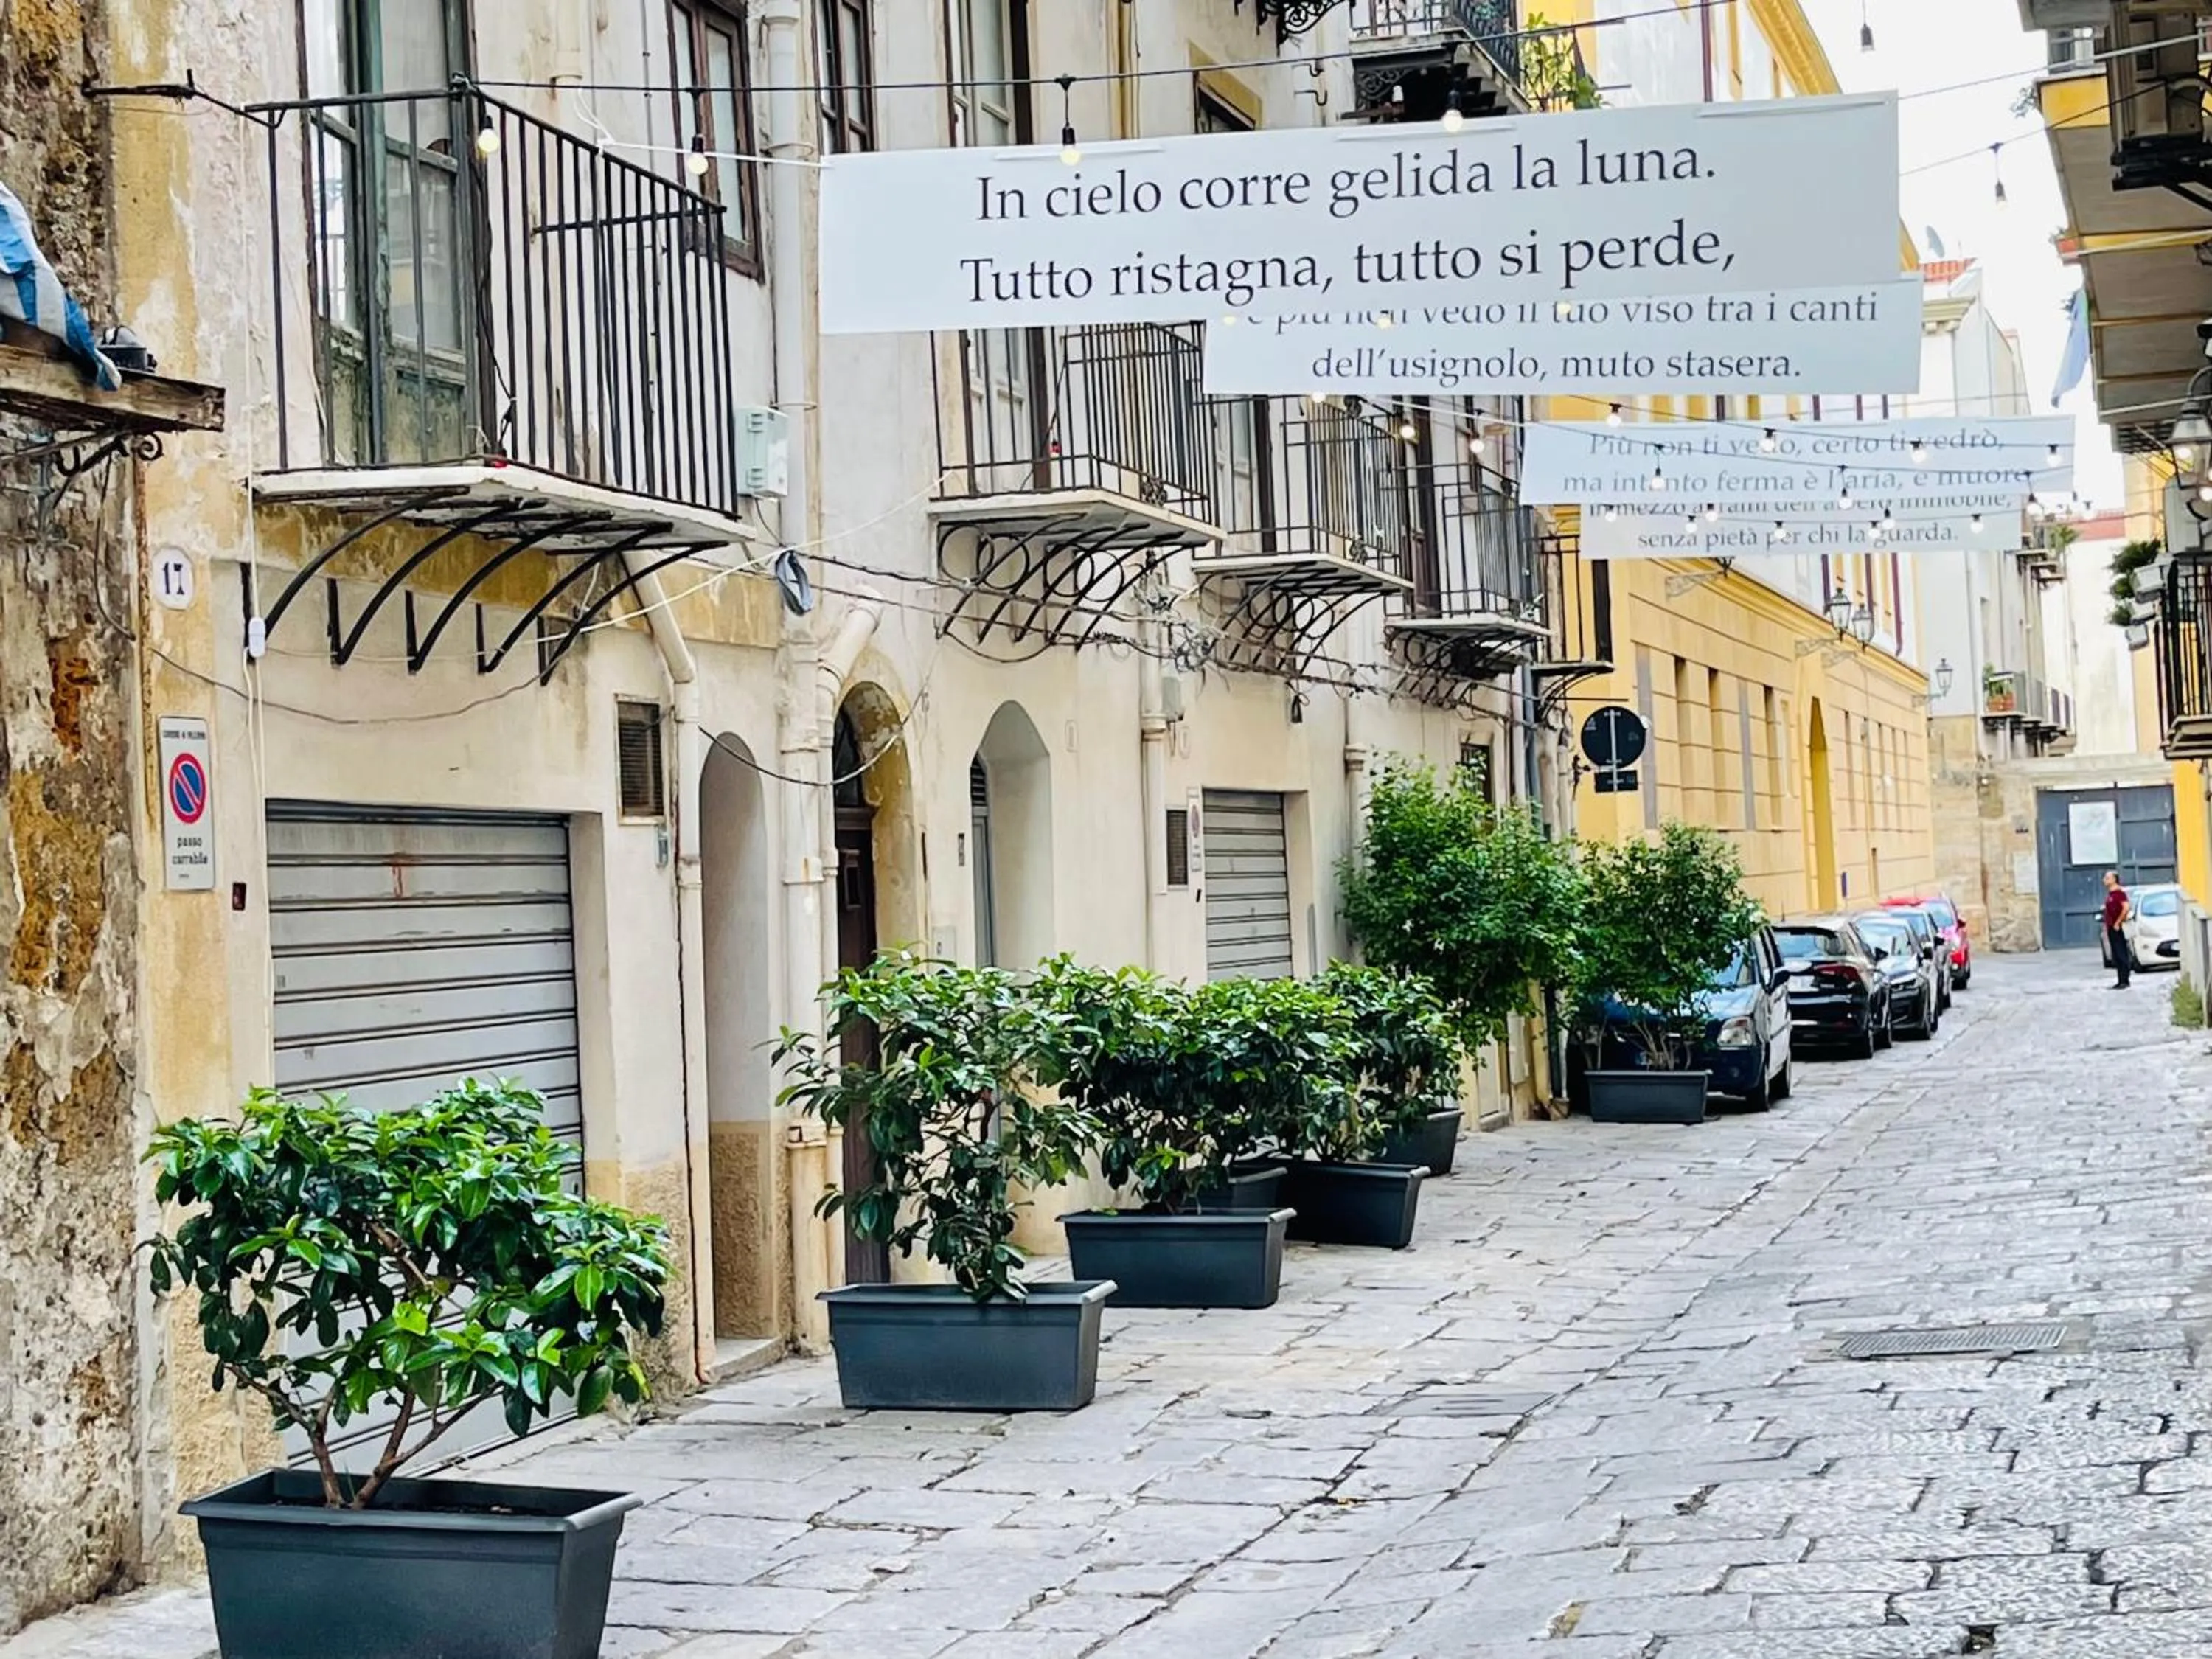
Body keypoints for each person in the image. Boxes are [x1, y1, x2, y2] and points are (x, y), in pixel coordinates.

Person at [2103, 870, 2133, 990]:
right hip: (2111, 927)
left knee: (2121, 953)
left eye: (2107, 878)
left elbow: (2126, 908)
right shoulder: (2110, 894)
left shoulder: (2119, 893)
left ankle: (2125, 980)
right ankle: (2120, 979)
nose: (2104, 880)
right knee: (2116, 954)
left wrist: (2118, 922)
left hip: (2117, 927)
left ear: (2114, 879)